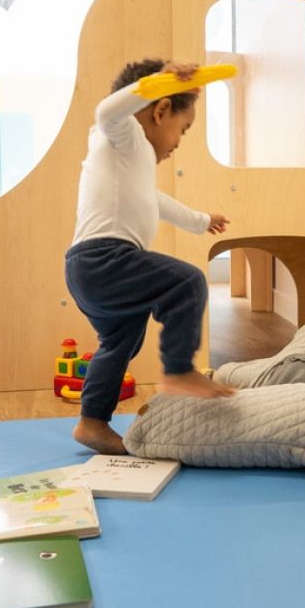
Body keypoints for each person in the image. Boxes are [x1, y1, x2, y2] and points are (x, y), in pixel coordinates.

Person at [64, 59, 236, 455]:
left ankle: (92, 422)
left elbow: (156, 202)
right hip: (105, 259)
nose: (179, 141)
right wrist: (159, 83)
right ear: (160, 111)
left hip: (87, 269)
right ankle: (178, 370)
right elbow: (107, 110)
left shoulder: (131, 162)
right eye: (183, 128)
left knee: (121, 340)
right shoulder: (124, 136)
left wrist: (201, 220)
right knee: (188, 280)